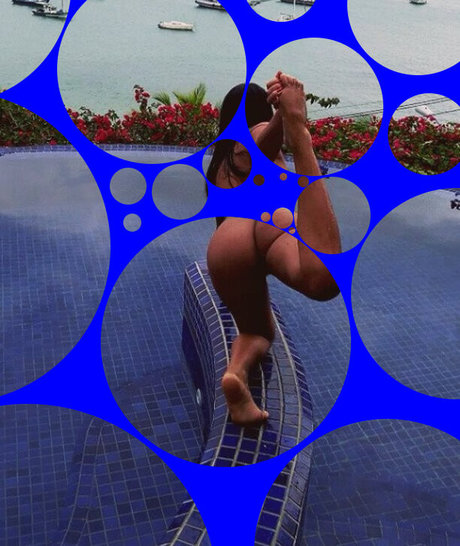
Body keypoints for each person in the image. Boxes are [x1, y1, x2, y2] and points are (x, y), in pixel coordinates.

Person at [206, 72, 341, 426]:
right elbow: (259, 145)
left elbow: (258, 149)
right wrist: (292, 120)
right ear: (258, 114)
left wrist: (281, 112)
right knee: (324, 278)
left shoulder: (221, 162)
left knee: (257, 331)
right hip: (267, 224)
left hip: (225, 246)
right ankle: (236, 376)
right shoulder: (253, 138)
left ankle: (236, 374)